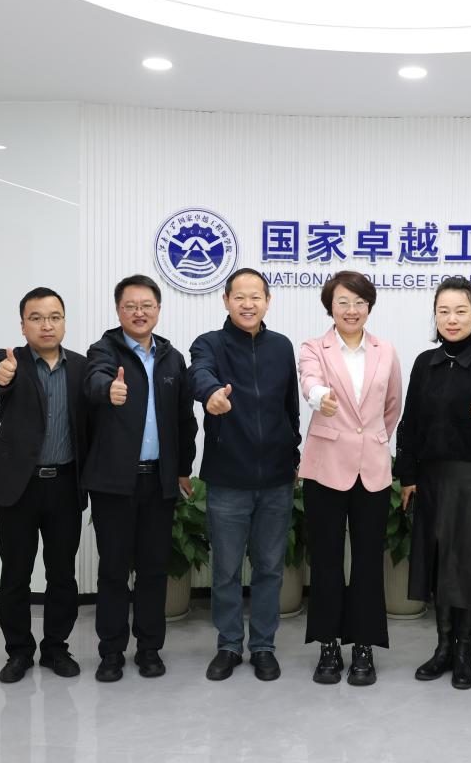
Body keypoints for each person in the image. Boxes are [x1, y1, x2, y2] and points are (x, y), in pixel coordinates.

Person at [394, 276, 471, 690]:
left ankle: (464, 651)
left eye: (461, 311)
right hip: (431, 478)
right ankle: (443, 647)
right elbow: (409, 423)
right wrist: (408, 475)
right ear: (435, 316)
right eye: (443, 311)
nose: (452, 319)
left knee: (468, 562)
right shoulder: (423, 364)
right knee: (439, 561)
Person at [82, 274, 197, 682]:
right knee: (114, 570)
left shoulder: (172, 358)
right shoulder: (103, 350)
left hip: (159, 480)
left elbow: (184, 419)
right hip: (114, 482)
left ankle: (149, 648)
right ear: (118, 310)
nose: (139, 313)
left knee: (153, 569)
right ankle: (111, 652)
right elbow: (94, 379)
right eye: (130, 306)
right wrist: (107, 390)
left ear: (158, 310)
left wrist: (183, 469)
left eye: (147, 305)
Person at [189, 268, 301, 682]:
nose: (248, 304)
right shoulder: (210, 344)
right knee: (227, 570)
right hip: (228, 478)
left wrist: (293, 451)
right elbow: (199, 373)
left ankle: (264, 646)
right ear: (226, 301)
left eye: (256, 297)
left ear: (268, 301)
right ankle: (229, 645)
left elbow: (291, 407)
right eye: (239, 297)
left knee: (270, 567)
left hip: (276, 479)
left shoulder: (281, 346)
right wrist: (210, 393)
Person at [0, 287, 88, 684]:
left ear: (64, 322)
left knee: (62, 574)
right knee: (16, 573)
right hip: (18, 488)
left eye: (54, 317)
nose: (46, 325)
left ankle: (56, 648)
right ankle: (19, 652)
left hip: (65, 486)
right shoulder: (10, 361)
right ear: (23, 325)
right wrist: (0, 375)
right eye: (36, 318)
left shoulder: (81, 367)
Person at [298, 271, 402, 686]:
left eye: (359, 302)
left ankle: (363, 646)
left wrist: (372, 440)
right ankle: (328, 646)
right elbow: (309, 382)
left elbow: (392, 405)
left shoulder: (385, 350)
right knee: (325, 561)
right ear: (330, 306)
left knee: (367, 563)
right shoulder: (314, 348)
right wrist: (319, 398)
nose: (352, 310)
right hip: (325, 467)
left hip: (371, 470)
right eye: (343, 302)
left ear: (369, 307)